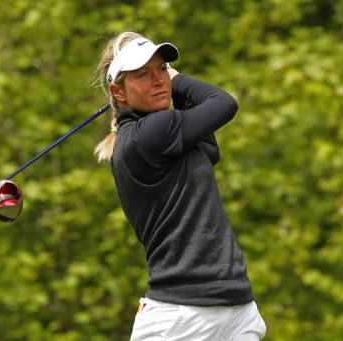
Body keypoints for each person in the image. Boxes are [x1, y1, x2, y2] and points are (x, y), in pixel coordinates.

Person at [94, 30, 266, 340]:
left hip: (233, 309)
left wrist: (169, 84)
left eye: (161, 69)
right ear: (118, 92)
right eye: (143, 75)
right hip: (182, 317)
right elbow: (223, 103)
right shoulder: (151, 133)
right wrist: (177, 78)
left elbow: (210, 147)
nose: (159, 80)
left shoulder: (169, 134)